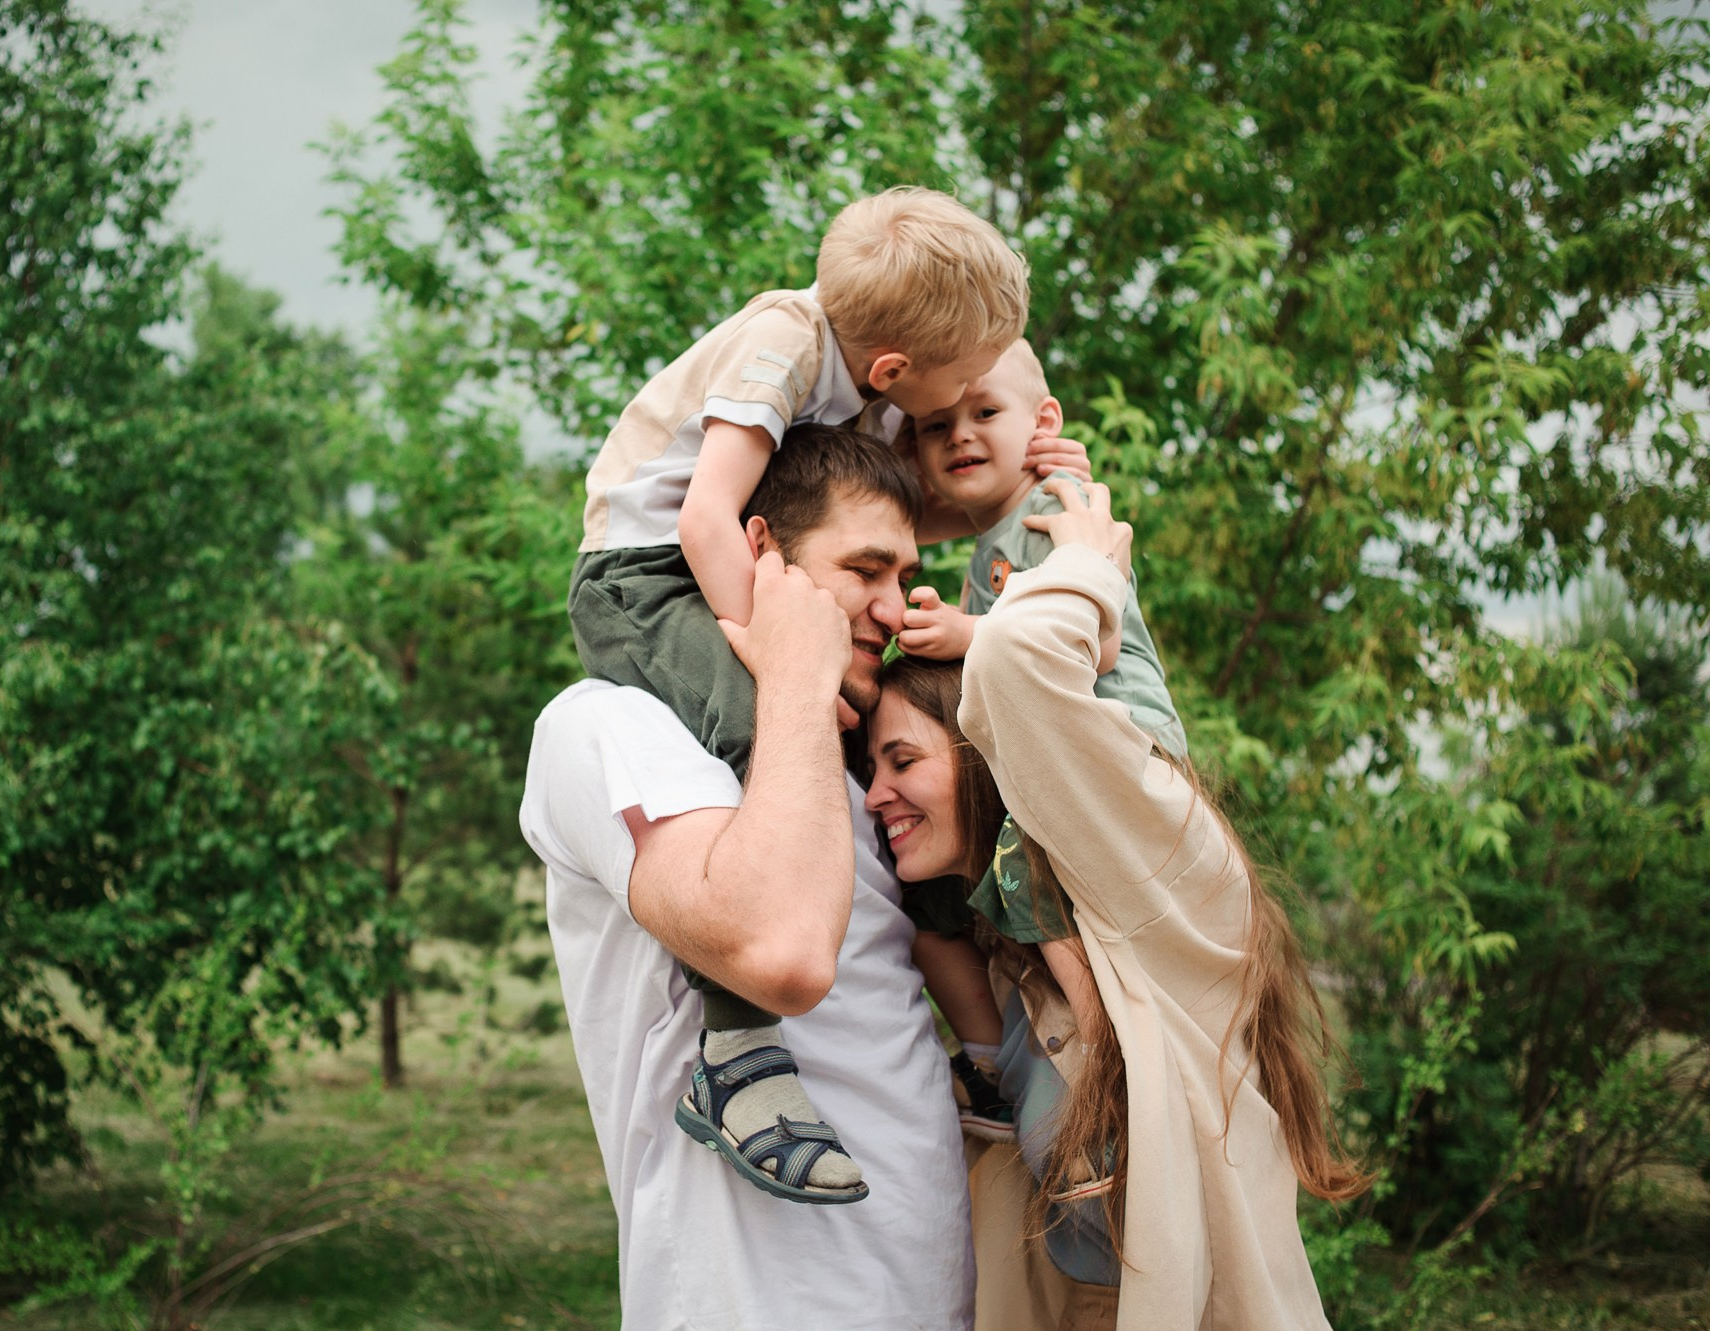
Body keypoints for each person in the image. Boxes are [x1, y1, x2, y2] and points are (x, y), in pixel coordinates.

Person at [566, 185, 1030, 1199]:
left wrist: (1034, 494)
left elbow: (878, 510)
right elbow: (705, 519)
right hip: (642, 574)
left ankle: (987, 1041)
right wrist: (783, 665)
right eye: (961, 382)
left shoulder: (863, 390)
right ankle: (734, 1053)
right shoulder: (784, 341)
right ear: (892, 370)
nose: (963, 398)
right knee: (753, 724)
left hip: (728, 559)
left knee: (893, 734)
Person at [862, 477, 1370, 1329]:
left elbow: (1016, 662)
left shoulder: (1152, 856)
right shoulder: (1014, 943)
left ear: (983, 749)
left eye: (902, 761)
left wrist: (1089, 565)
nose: (878, 794)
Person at [520, 426, 974, 1328]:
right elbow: (782, 954)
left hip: (933, 1282)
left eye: (903, 576)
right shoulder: (605, 726)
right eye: (865, 569)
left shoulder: (865, 775)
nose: (893, 609)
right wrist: (795, 672)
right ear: (759, 548)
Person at [890, 338, 1188, 1145]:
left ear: (1043, 423)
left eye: (985, 412)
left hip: (1124, 736)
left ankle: (1107, 1052)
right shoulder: (995, 530)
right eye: (935, 425)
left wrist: (967, 633)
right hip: (1065, 748)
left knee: (1024, 867)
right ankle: (1022, 1050)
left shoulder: (1058, 502)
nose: (959, 435)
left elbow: (1092, 642)